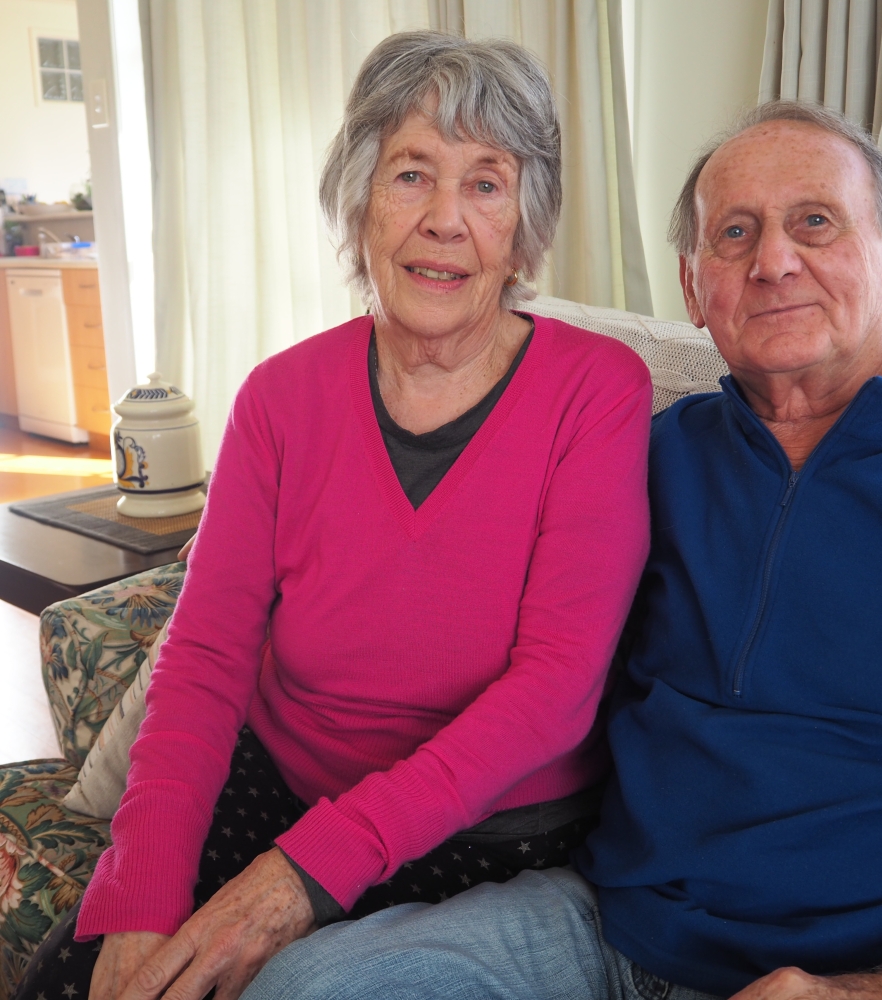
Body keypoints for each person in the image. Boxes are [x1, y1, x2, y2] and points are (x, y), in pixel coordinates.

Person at [243, 101, 882, 1000]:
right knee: (304, 989)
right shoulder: (641, 453)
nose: (773, 261)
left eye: (814, 222)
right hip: (609, 929)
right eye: (734, 234)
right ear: (693, 288)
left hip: (876, 962)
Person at [13, 31, 651, 1000]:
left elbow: (555, 687)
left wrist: (296, 878)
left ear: (526, 224)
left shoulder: (595, 391)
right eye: (410, 173)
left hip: (486, 829)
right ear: (357, 200)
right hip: (280, 783)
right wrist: (140, 893)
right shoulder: (279, 398)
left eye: (486, 183)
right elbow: (204, 658)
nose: (444, 219)